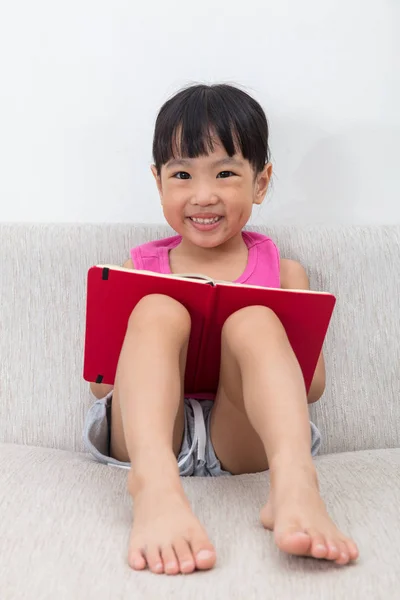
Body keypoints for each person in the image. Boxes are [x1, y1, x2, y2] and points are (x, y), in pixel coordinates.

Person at [84, 83, 359, 575]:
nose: (203, 195)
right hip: (155, 438)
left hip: (242, 437)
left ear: (261, 181)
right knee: (156, 308)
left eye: (226, 173)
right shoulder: (139, 265)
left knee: (254, 319)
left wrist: (258, 332)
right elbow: (102, 384)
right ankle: (153, 487)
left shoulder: (285, 270)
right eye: (182, 174)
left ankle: (295, 485)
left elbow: (312, 388)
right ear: (159, 181)